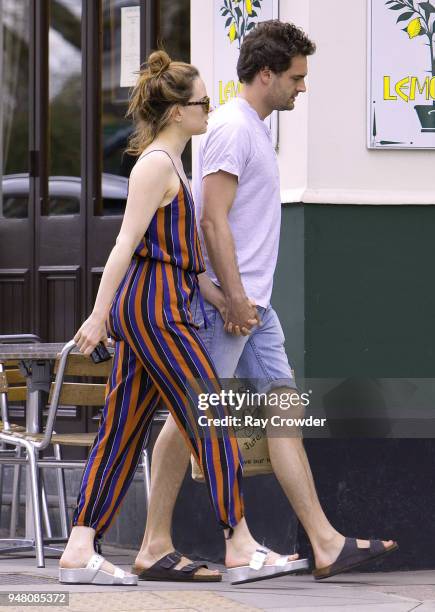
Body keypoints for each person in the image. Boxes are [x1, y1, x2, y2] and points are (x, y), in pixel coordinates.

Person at [134, 21, 398, 582]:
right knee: (189, 418)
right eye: (297, 78)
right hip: (229, 308)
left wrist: (248, 302)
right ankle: (154, 543)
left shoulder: (250, 128)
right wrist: (231, 298)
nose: (302, 88)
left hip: (257, 308)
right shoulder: (231, 128)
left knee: (285, 413)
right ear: (267, 74)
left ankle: (325, 543)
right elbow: (211, 219)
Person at [58, 49, 303, 586]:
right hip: (155, 313)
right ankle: (237, 541)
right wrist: (98, 317)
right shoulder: (154, 166)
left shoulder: (172, 166)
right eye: (200, 103)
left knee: (121, 431)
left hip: (160, 305)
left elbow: (178, 259)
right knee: (209, 414)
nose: (209, 111)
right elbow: (124, 246)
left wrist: (220, 300)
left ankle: (79, 547)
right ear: (175, 113)